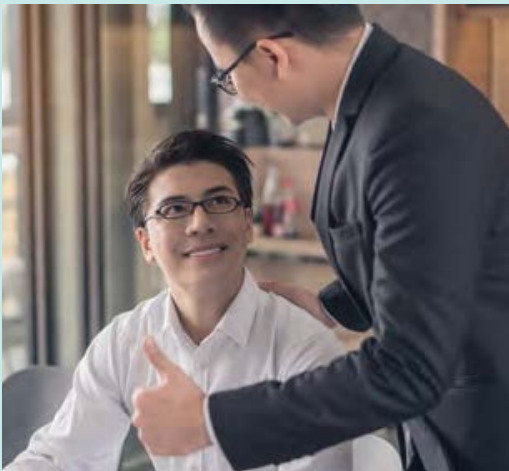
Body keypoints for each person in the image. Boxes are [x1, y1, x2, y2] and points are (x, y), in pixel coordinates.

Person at [131, 6, 509, 471]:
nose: (239, 94)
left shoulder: (416, 126)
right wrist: (331, 307)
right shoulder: (370, 99)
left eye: (227, 75)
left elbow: (409, 368)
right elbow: (428, 258)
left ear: (273, 55)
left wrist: (210, 422)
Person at [6, 130, 399, 471]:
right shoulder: (125, 341)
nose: (200, 223)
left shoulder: (305, 349)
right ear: (146, 243)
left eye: (219, 202)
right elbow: (60, 458)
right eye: (174, 209)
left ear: (247, 224)